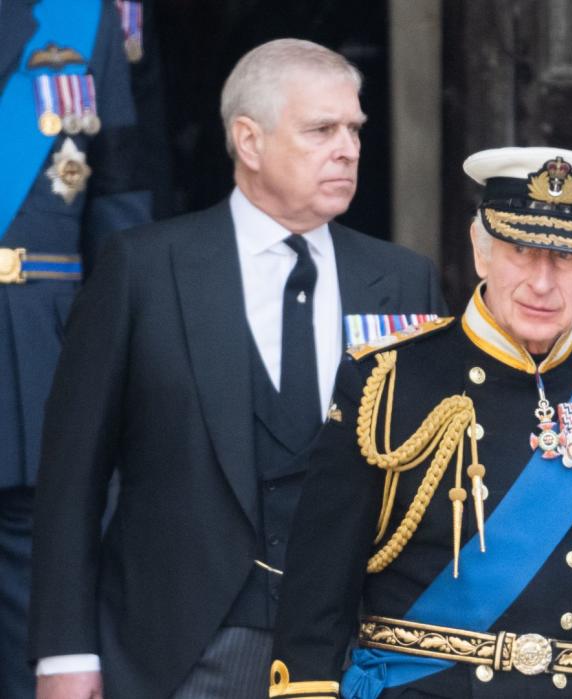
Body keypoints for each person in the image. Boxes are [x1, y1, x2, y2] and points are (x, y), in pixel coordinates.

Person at [28, 38, 445, 699]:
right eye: (321, 129)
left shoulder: (403, 279)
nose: (348, 147)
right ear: (248, 142)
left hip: (356, 653)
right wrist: (63, 652)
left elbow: (436, 482)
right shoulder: (143, 269)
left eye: (355, 129)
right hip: (177, 650)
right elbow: (72, 479)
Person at [269, 146, 572, 698]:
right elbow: (316, 601)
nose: (542, 284)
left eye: (566, 260)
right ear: (481, 251)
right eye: (521, 251)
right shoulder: (388, 379)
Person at [0, 1, 151, 696]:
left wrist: (123, 356)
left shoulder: (82, 17)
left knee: (33, 604)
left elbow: (120, 195)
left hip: (35, 356)